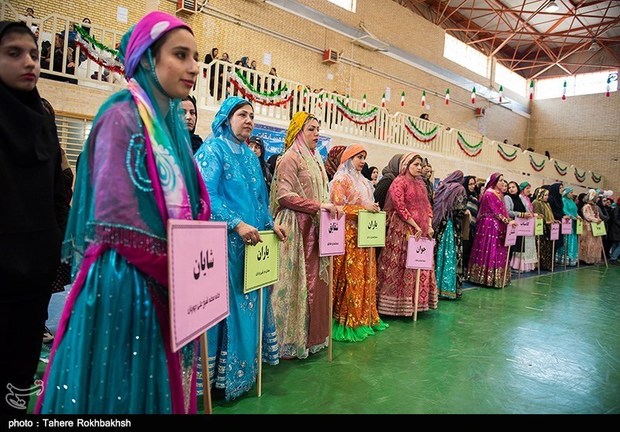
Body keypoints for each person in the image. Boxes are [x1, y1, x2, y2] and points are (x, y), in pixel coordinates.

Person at [36, 11, 211, 414]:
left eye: (196, 56)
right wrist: (181, 270)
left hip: (167, 282)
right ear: (147, 59)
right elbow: (119, 218)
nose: (193, 67)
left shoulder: (171, 127)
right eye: (180, 55)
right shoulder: (120, 116)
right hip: (127, 285)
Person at [195, 96, 285, 400]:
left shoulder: (249, 155)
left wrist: (271, 224)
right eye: (242, 115)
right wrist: (235, 223)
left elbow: (260, 198)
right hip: (224, 246)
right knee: (228, 310)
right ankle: (221, 379)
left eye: (252, 116)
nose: (248, 120)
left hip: (252, 247)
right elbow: (205, 194)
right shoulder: (213, 149)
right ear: (226, 117)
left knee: (250, 306)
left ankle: (244, 372)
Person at [0, 21, 69, 414]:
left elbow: (56, 190)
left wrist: (52, 244)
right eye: (14, 53)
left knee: (21, 365)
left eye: (33, 54)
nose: (29, 62)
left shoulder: (42, 115)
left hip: (35, 270)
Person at [269, 111, 341, 359]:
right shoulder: (290, 157)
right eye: (311, 129)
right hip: (295, 228)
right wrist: (318, 206)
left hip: (315, 226)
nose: (316, 133)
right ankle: (288, 340)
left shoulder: (315, 159)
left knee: (315, 285)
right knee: (295, 286)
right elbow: (283, 196)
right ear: (298, 131)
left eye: (318, 129)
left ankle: (310, 339)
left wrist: (326, 207)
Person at [329, 144, 388, 341]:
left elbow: (367, 204)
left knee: (364, 276)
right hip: (348, 236)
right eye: (358, 157)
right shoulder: (341, 180)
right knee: (350, 277)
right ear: (348, 158)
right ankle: (348, 319)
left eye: (364, 157)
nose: (362, 161)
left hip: (365, 235)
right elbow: (338, 208)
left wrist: (372, 209)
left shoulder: (363, 181)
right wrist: (364, 208)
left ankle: (363, 317)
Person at [377, 153, 437, 316]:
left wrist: (429, 225)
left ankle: (417, 302)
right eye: (416, 164)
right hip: (403, 230)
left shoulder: (421, 184)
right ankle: (397, 304)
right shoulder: (399, 182)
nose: (419, 168)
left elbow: (427, 206)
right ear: (406, 165)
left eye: (420, 165)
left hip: (422, 230)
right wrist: (415, 225)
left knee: (419, 264)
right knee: (402, 265)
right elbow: (400, 206)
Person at [467, 173, 516, 288]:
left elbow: (503, 211)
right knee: (491, 249)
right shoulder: (489, 193)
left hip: (498, 224)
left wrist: (507, 220)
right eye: (500, 181)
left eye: (504, 181)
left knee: (499, 249)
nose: (503, 183)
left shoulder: (500, 194)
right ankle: (486, 277)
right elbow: (495, 211)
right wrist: (507, 221)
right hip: (490, 225)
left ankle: (498, 278)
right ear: (494, 181)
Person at [432, 170, 467, 300]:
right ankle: (447, 288)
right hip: (451, 227)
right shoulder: (460, 189)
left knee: (438, 255)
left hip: (439, 225)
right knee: (450, 256)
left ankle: (434, 287)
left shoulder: (442, 186)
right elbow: (459, 209)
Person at [579, 190, 604, 264]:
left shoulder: (596, 207)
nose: (598, 199)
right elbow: (587, 216)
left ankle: (593, 258)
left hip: (595, 227)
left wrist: (598, 219)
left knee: (595, 243)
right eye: (596, 197)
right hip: (588, 227)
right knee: (588, 242)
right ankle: (586, 258)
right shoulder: (587, 206)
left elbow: (597, 215)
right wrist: (596, 220)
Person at [558, 186, 580, 266]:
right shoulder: (564, 200)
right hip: (567, 222)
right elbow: (565, 210)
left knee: (572, 239)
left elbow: (575, 210)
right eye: (570, 192)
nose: (572, 194)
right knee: (567, 239)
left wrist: (577, 216)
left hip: (573, 223)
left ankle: (572, 258)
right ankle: (564, 259)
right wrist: (572, 216)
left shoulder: (572, 201)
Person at [461, 175, 479, 275]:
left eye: (473, 184)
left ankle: (466, 271)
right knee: (463, 249)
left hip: (472, 228)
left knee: (469, 250)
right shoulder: (462, 196)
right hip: (464, 228)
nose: (472, 186)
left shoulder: (474, 198)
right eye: (470, 184)